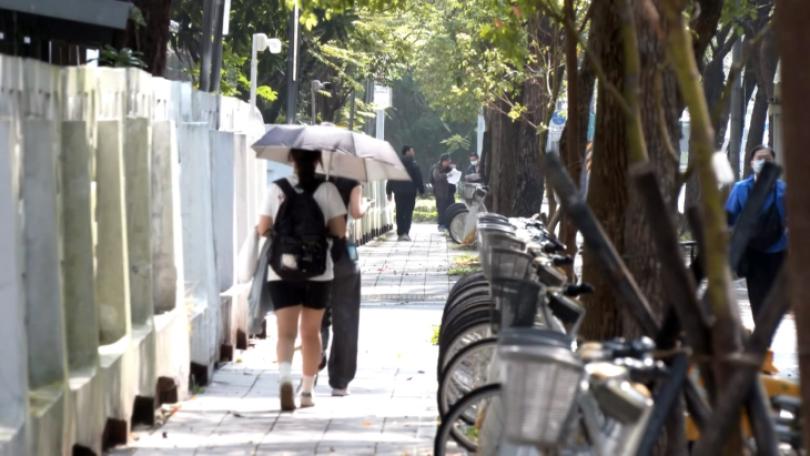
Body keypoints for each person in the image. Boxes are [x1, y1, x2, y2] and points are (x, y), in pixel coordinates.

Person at [256, 149, 347, 411]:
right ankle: (307, 391)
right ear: (318, 160)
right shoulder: (328, 190)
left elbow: (263, 228)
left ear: (291, 160)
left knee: (285, 333)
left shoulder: (277, 188)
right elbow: (340, 231)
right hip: (319, 272)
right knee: (311, 332)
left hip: (282, 270)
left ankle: (285, 379)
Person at [320, 177, 370, 396]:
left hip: (315, 253)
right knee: (346, 315)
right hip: (343, 252)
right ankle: (340, 382)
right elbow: (357, 212)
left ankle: (316, 353)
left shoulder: (314, 178)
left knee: (317, 310)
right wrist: (366, 205)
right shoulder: (351, 180)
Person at [725, 145, 787, 317]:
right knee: (757, 296)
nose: (763, 162)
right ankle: (761, 331)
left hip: (779, 251)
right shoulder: (740, 188)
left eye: (767, 158)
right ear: (751, 162)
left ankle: (770, 327)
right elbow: (729, 218)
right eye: (759, 158)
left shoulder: (783, 189)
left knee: (777, 298)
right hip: (752, 252)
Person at [386, 145, 425, 241]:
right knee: (408, 212)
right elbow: (418, 178)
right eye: (412, 151)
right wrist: (421, 191)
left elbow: (391, 178)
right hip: (410, 193)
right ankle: (405, 233)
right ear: (407, 152)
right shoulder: (414, 165)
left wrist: (389, 191)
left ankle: (400, 233)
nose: (413, 153)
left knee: (399, 212)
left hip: (398, 192)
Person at [431, 154, 455, 231]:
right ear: (443, 161)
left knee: (451, 209)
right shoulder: (436, 168)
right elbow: (437, 177)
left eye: (449, 161)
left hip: (450, 192)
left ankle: (449, 225)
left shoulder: (450, 168)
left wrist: (454, 173)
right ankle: (441, 225)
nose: (449, 163)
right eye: (447, 161)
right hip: (440, 193)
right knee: (441, 209)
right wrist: (447, 175)